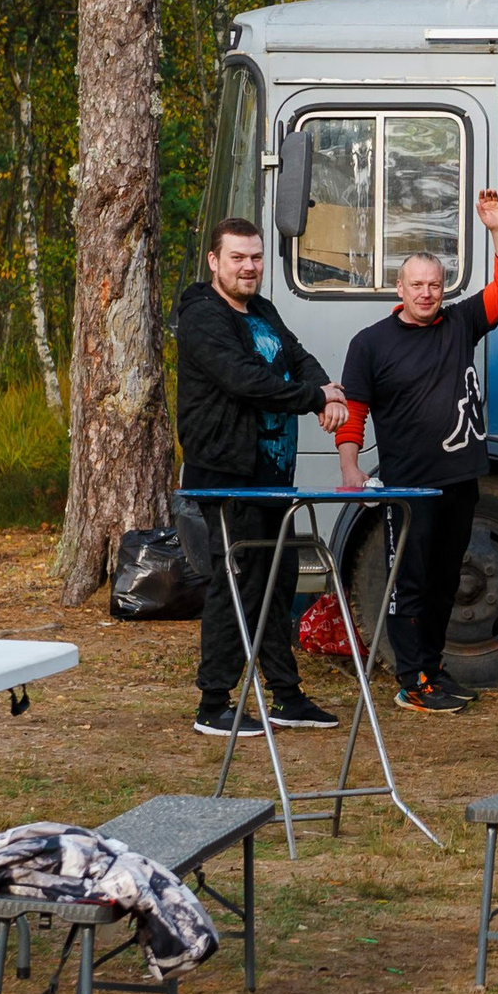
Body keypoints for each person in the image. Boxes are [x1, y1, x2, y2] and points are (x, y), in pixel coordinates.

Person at [334, 189, 498, 713]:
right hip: (408, 487)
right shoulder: (371, 343)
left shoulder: (461, 323)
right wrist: (350, 466)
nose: (426, 293)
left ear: (444, 288)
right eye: (416, 285)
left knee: (445, 582)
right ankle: (411, 680)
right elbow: (353, 410)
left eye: (434, 285)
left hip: (460, 479)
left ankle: (433, 670)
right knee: (409, 585)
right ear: (400, 289)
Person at [174, 215, 348, 736]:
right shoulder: (202, 316)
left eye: (255, 257)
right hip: (227, 473)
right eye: (237, 258)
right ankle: (213, 703)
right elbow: (244, 380)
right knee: (238, 582)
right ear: (214, 261)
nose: (248, 267)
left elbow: (298, 356)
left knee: (278, 582)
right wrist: (314, 398)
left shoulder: (263, 310)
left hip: (273, 474)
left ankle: (287, 697)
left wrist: (327, 392)